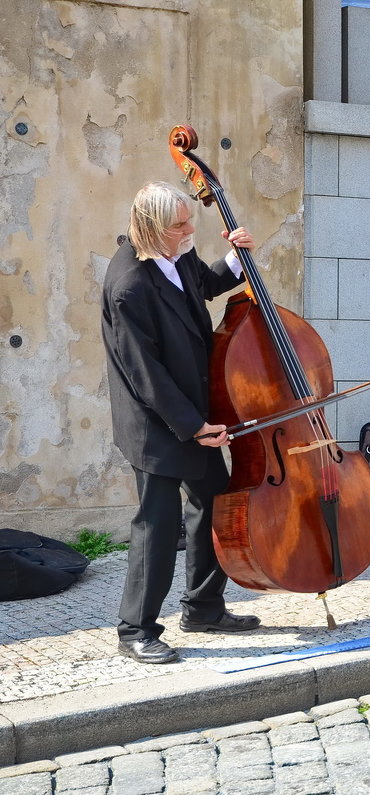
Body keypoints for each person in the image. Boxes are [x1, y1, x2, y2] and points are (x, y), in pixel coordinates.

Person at [101, 182, 261, 664]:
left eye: (190, 220)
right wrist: (193, 426)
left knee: (215, 503)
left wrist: (235, 262)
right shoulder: (128, 285)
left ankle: (204, 607)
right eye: (180, 224)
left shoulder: (175, 255)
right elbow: (145, 375)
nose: (192, 229)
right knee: (156, 523)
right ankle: (136, 629)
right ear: (152, 228)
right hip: (158, 427)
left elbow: (203, 286)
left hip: (195, 414)